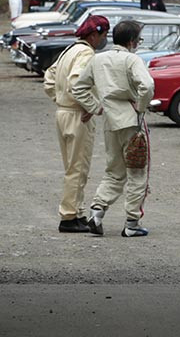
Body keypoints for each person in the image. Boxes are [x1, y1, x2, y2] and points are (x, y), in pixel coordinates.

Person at [71, 19, 154, 237]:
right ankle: (132, 222)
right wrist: (141, 107)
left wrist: (96, 107)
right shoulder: (132, 60)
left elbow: (78, 87)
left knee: (114, 171)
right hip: (131, 120)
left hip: (110, 120)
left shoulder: (98, 60)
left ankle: (97, 211)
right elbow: (147, 86)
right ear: (132, 41)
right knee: (137, 171)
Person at [42, 14, 109, 233]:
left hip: (64, 112)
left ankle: (76, 212)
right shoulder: (86, 53)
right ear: (93, 34)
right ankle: (69, 217)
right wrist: (92, 106)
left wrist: (60, 99)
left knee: (73, 166)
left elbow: (49, 78)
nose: (103, 39)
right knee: (77, 168)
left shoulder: (69, 50)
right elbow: (76, 82)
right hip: (77, 115)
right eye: (103, 35)